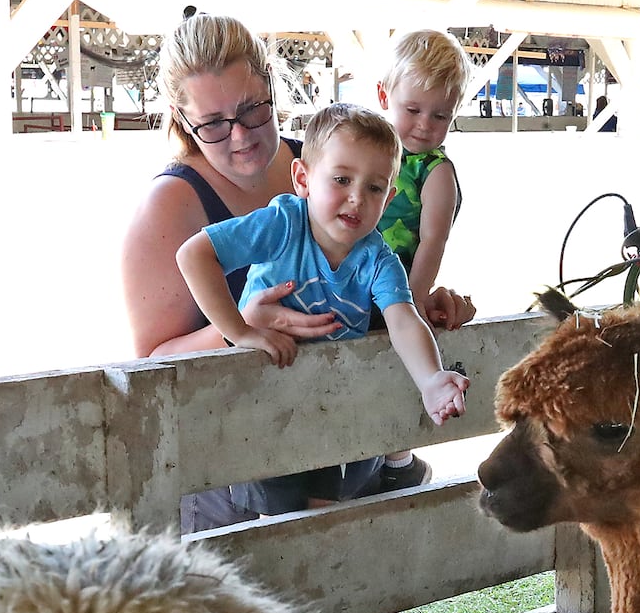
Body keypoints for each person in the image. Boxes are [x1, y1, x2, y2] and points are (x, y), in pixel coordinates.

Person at [121, 13, 476, 613]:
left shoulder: (326, 161)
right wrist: (239, 327)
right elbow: (151, 364)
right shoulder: (171, 206)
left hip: (343, 448)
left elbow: (370, 284)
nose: (241, 135)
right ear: (182, 118)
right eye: (214, 123)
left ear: (273, 90)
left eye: (254, 111)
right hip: (232, 479)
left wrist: (432, 306)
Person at [177, 103, 469, 420]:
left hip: (327, 400)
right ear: (303, 179)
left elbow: (403, 319)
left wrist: (431, 380)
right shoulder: (283, 223)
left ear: (387, 202)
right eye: (342, 179)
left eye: (374, 188)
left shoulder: (377, 258)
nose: (357, 198)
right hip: (250, 393)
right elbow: (194, 255)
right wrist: (239, 331)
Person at [375, 28, 472, 490]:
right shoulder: (371, 152)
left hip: (398, 289)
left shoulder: (436, 171)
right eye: (412, 110)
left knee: (402, 361)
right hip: (354, 281)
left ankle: (398, 458)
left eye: (440, 115)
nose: (424, 125)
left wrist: (410, 300)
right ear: (383, 95)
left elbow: (433, 240)